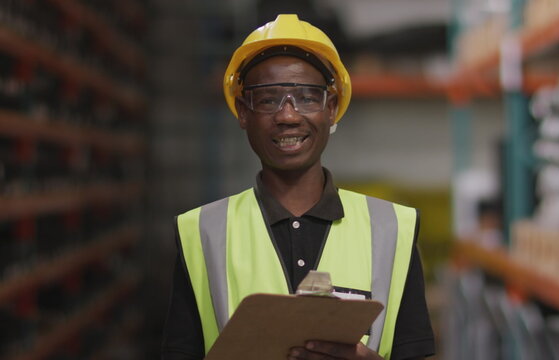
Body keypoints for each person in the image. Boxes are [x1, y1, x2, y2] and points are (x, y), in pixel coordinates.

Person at [161, 14, 435, 360]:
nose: (288, 115)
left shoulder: (392, 228)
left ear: (331, 109)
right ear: (243, 112)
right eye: (267, 98)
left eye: (307, 97)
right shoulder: (201, 232)